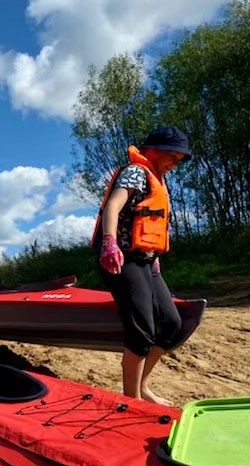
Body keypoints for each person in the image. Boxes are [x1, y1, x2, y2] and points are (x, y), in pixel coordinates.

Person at [91, 126, 191, 406]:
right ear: (154, 150)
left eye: (180, 158)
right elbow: (114, 206)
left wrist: (155, 258)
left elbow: (150, 224)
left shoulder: (157, 179)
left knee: (171, 323)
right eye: (174, 156)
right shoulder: (135, 172)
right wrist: (109, 242)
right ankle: (132, 401)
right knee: (141, 330)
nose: (177, 163)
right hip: (121, 258)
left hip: (146, 261)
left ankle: (141, 386)